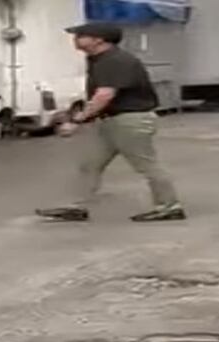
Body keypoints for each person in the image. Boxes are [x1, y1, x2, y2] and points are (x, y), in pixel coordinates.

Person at [37, 22, 184, 223]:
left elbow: (104, 95)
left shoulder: (115, 60)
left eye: (81, 35)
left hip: (130, 120)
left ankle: (169, 206)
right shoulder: (98, 60)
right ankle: (75, 206)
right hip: (110, 121)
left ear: (99, 39)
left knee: (147, 165)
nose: (76, 38)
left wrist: (78, 120)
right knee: (90, 164)